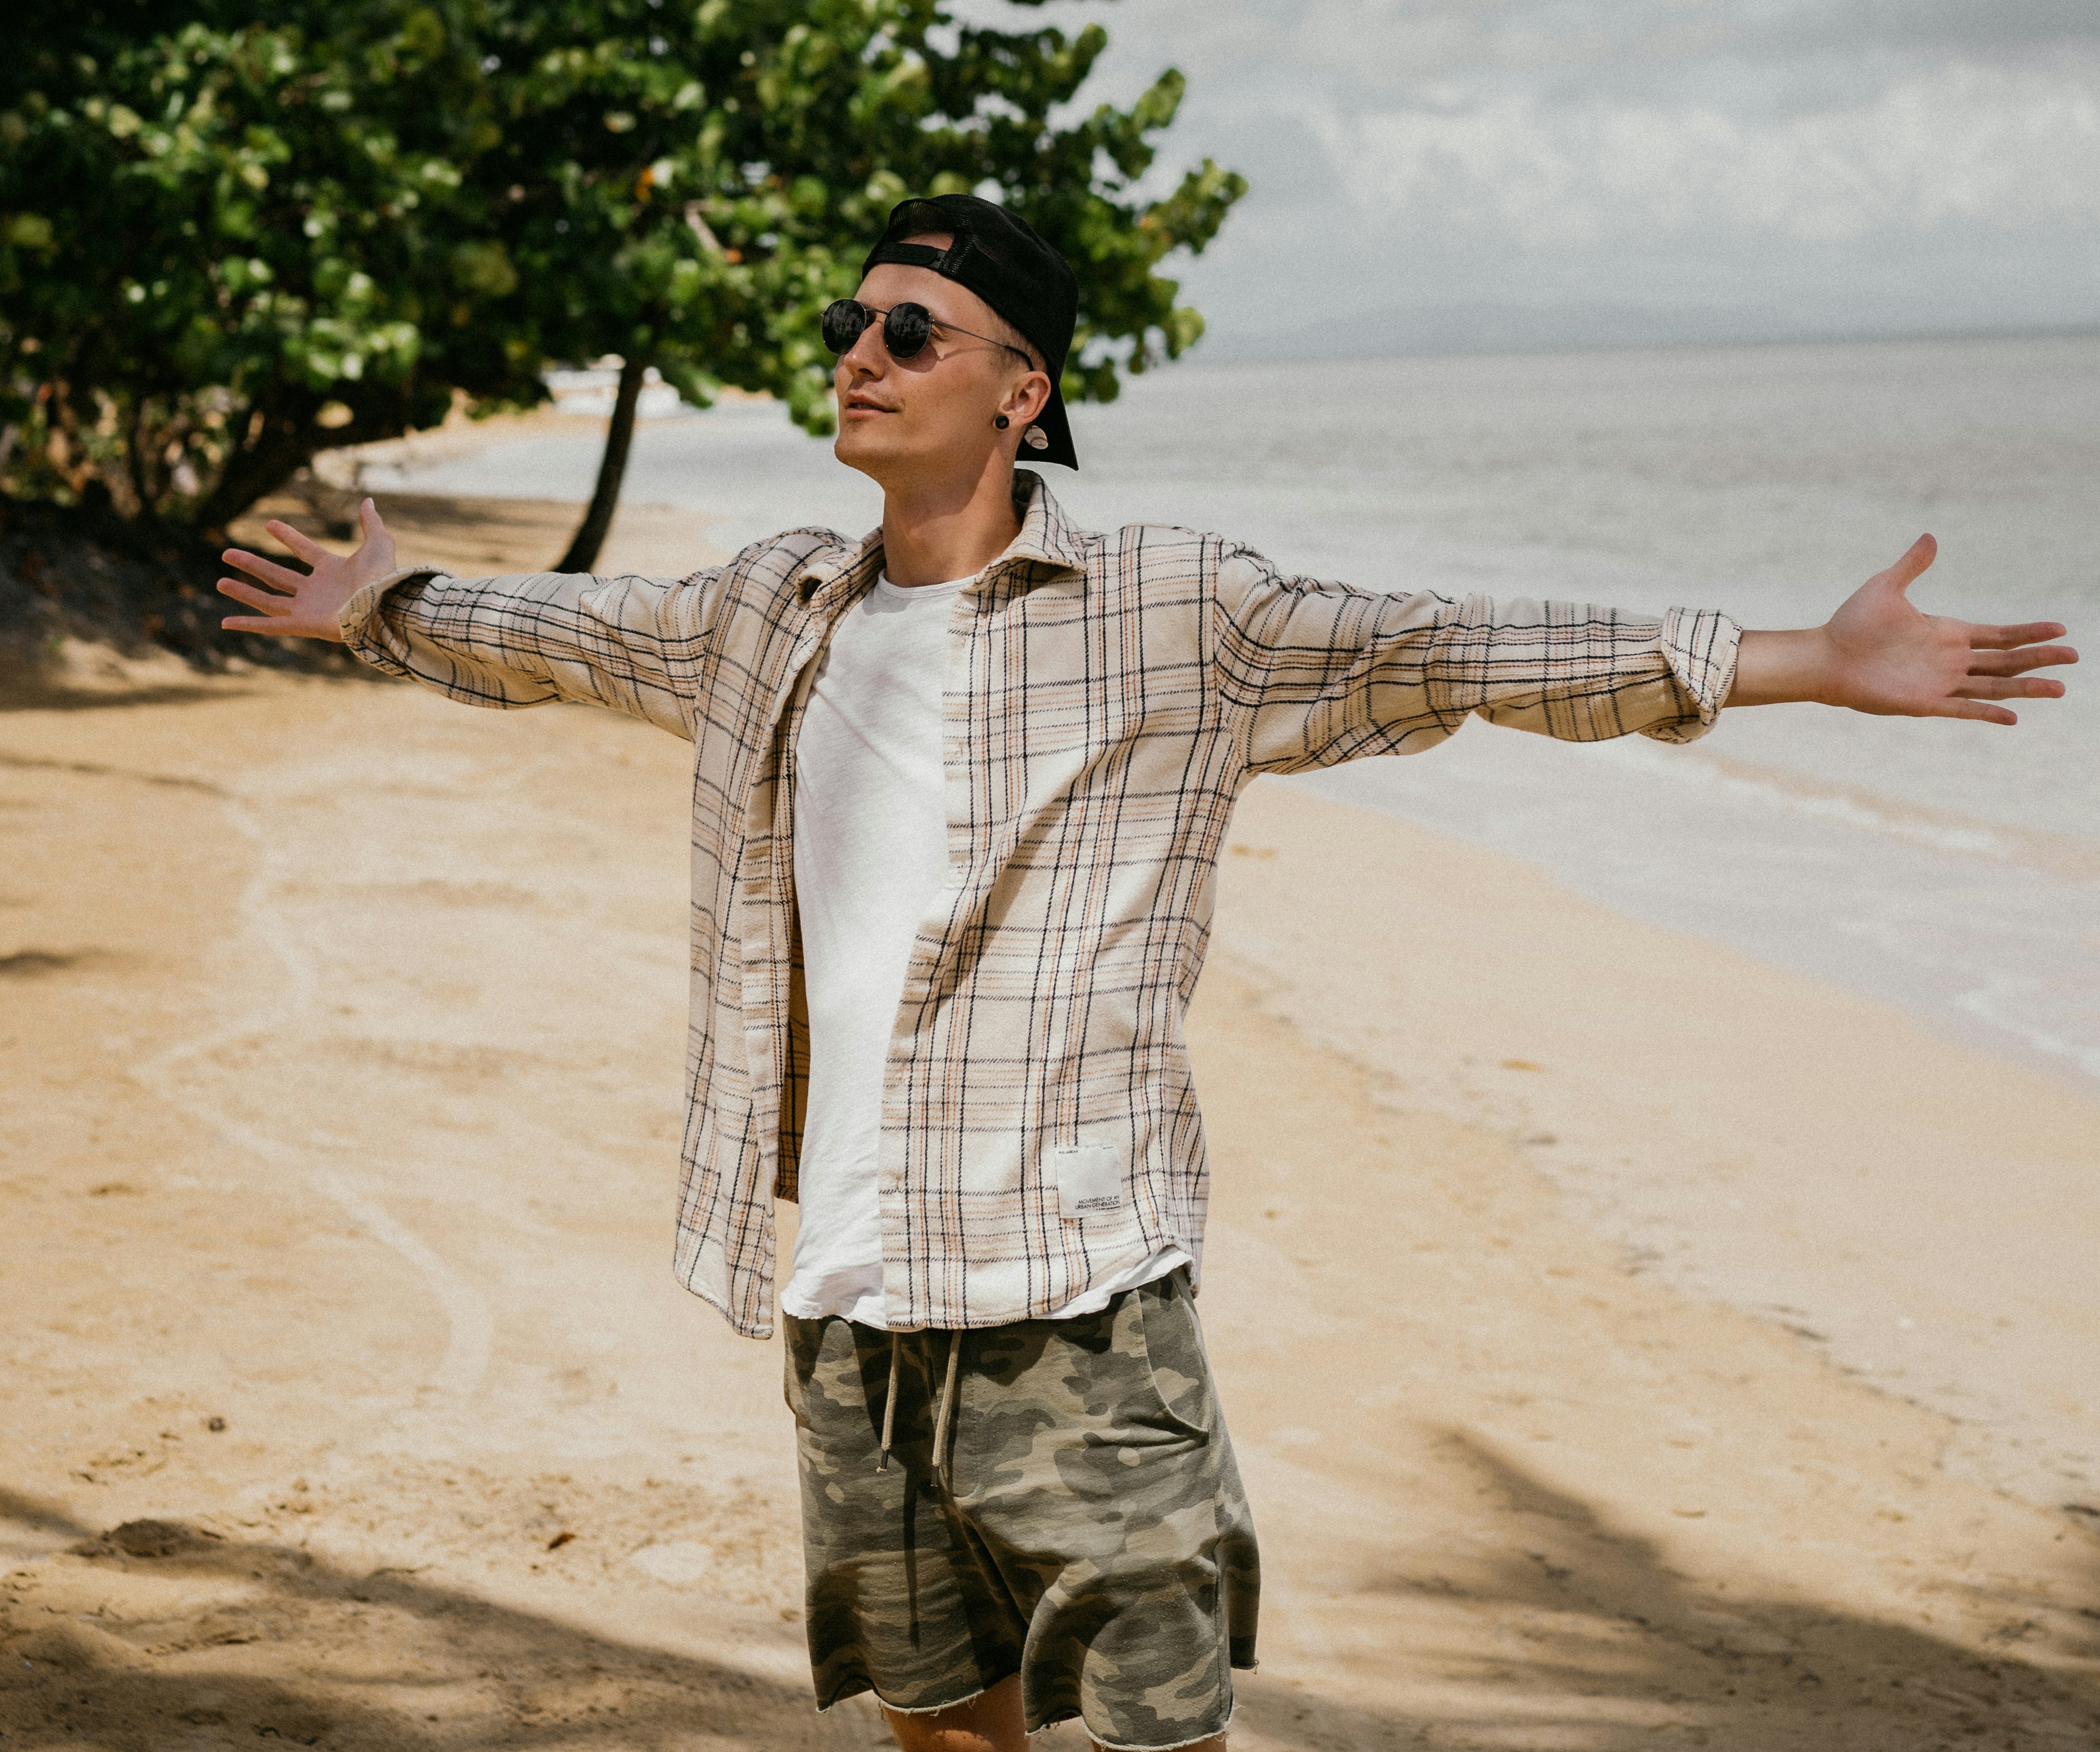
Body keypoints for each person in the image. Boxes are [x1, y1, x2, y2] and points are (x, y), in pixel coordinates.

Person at [218, 193, 2077, 1752]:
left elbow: (1454, 648)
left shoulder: (1173, 614)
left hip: (1079, 1304)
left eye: (915, 332)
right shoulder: (768, 602)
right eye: (854, 322)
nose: (858, 354)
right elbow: (575, 634)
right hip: (850, 1297)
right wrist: (379, 606)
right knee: (938, 1721)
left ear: (1022, 391)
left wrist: (1797, 663)